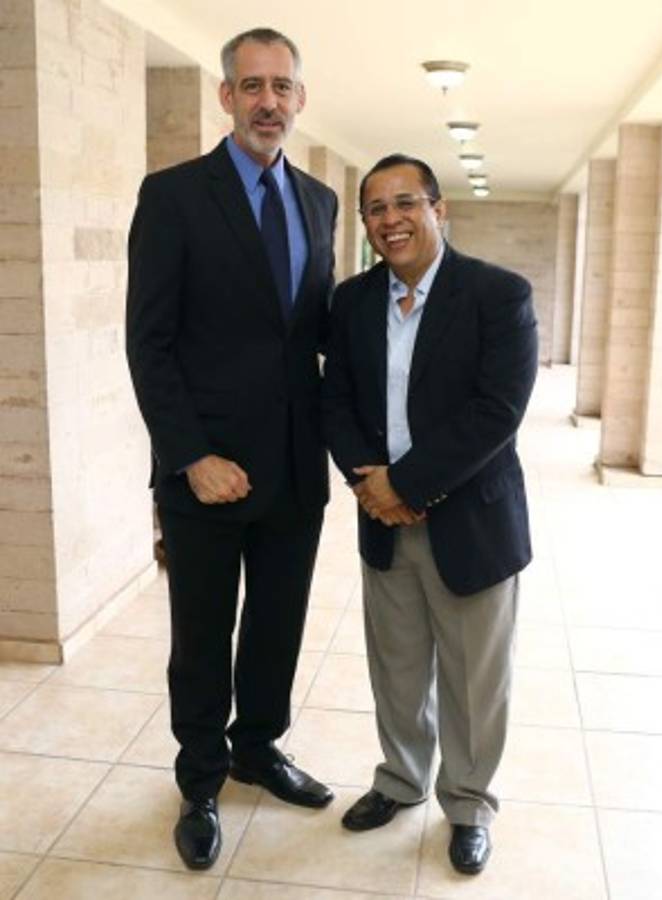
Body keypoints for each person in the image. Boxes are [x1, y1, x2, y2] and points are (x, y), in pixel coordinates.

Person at [126, 28, 336, 870]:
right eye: (251, 85)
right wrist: (188, 455)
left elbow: (318, 335)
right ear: (224, 96)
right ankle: (201, 778)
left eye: (281, 86)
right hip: (206, 471)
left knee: (278, 626)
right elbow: (150, 342)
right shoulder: (174, 194)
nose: (267, 101)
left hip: (293, 465)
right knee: (203, 634)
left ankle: (258, 748)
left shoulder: (320, 202)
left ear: (299, 99)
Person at [322, 154, 538, 875]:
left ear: (439, 210)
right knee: (398, 666)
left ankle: (469, 803)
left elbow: (495, 412)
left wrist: (407, 484)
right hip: (381, 518)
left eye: (405, 203)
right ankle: (401, 781)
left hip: (469, 521)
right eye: (376, 208)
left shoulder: (497, 294)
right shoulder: (350, 302)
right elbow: (337, 400)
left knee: (475, 679)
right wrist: (370, 485)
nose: (391, 220)